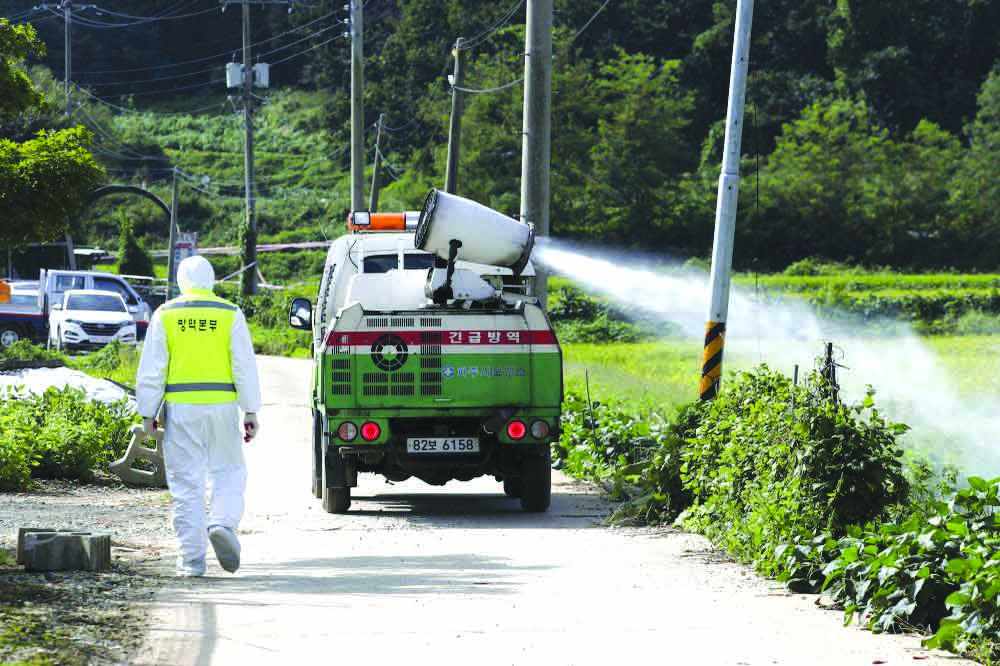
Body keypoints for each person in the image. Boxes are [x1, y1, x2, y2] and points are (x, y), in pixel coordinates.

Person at [136, 255, 261, 577]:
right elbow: (244, 367)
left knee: (186, 484)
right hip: (222, 407)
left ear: (180, 281)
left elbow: (153, 370)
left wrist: (148, 413)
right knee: (229, 471)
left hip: (181, 409)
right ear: (212, 280)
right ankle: (222, 523)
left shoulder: (166, 314)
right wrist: (250, 410)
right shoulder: (229, 313)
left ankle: (191, 562)